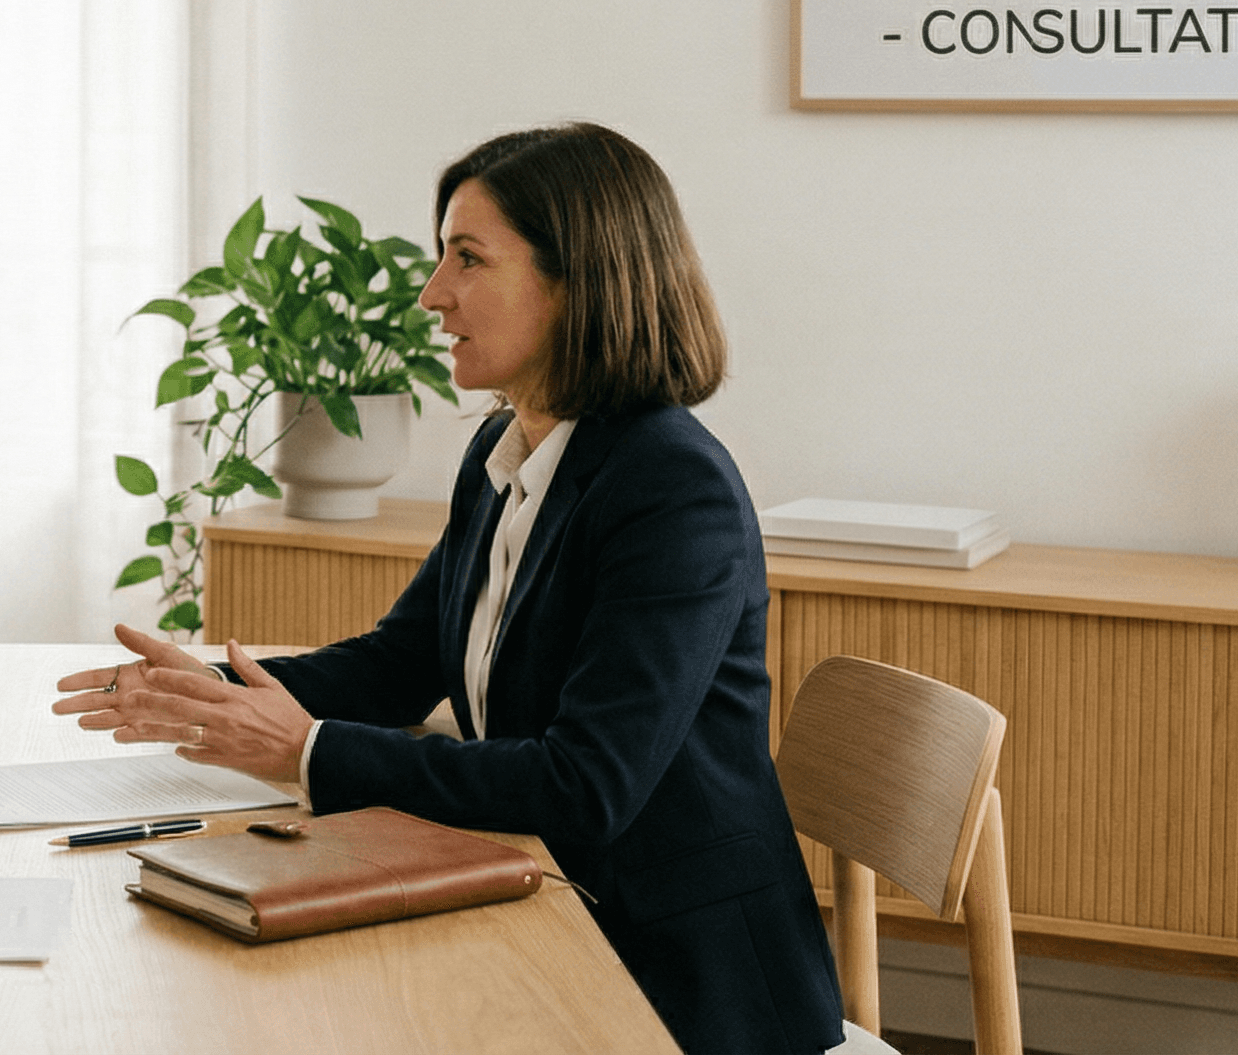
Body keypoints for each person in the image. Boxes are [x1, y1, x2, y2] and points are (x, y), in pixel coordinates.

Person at [50, 123, 844, 1053]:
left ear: (579, 280)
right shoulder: (504, 451)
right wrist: (211, 697)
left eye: (467, 259)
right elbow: (404, 659)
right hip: (552, 904)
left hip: (677, 981)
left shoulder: (673, 488)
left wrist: (303, 750)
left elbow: (582, 787)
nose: (434, 295)